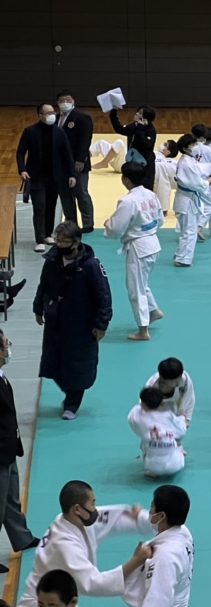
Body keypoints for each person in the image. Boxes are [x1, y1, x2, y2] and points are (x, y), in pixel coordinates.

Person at [12, 480, 152, 607]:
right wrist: (136, 561)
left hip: (60, 605)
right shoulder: (64, 544)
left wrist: (146, 519)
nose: (95, 508)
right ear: (77, 509)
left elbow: (115, 520)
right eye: (92, 503)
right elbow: (93, 583)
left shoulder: (73, 519)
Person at [32, 221, 112, 420]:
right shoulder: (52, 261)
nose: (59, 244)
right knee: (55, 361)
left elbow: (104, 297)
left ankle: (72, 403)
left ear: (76, 242)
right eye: (57, 240)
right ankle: (69, 391)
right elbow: (43, 285)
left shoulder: (91, 266)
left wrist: (101, 324)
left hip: (82, 325)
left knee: (78, 365)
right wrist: (38, 307)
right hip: (56, 320)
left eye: (64, 241)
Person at [103, 162, 165, 341]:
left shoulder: (128, 201)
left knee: (135, 289)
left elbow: (116, 229)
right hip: (153, 243)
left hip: (139, 247)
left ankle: (143, 330)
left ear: (126, 180)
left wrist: (108, 225)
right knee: (141, 283)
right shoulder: (151, 194)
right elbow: (160, 220)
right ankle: (153, 310)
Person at [0, 328, 39, 572]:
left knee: (10, 499)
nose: (8, 348)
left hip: (8, 448)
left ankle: (21, 537)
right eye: (5, 344)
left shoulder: (2, 376)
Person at [16, 103, 76, 251]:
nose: (52, 115)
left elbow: (67, 154)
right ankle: (39, 239)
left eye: (53, 112)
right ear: (40, 115)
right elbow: (20, 152)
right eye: (48, 113)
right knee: (39, 208)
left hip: (54, 177)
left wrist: (71, 174)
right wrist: (22, 170)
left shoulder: (59, 132)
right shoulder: (30, 131)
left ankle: (48, 234)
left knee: (51, 206)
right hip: (36, 176)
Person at [172, 134, 211, 268]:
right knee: (189, 231)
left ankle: (181, 255)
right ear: (185, 148)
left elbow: (199, 170)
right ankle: (183, 259)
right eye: (192, 145)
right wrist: (208, 182)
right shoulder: (186, 163)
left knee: (188, 230)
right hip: (186, 200)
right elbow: (193, 183)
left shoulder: (189, 160)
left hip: (188, 199)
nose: (195, 147)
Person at [55, 90, 95, 232]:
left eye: (68, 100)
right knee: (65, 195)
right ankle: (71, 223)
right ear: (57, 103)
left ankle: (88, 224)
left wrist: (80, 160)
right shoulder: (55, 119)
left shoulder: (82, 118)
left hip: (78, 162)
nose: (65, 103)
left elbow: (85, 140)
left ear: (73, 101)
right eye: (62, 101)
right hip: (60, 164)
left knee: (81, 192)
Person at [128, 388, 187, 477]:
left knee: (145, 442)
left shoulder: (137, 416)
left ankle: (153, 473)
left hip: (152, 466)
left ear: (142, 403)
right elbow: (182, 431)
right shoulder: (169, 416)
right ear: (161, 403)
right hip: (175, 465)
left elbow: (131, 417)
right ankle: (180, 451)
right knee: (175, 442)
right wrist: (182, 418)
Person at [109, 104, 158, 190]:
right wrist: (113, 113)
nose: (136, 114)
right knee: (132, 188)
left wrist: (140, 127)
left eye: (140, 113)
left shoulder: (150, 130)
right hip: (133, 162)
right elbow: (119, 129)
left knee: (145, 189)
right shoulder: (134, 126)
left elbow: (146, 144)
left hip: (145, 165)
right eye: (138, 112)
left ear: (145, 118)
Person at [146, 357, 196, 427]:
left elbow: (189, 399)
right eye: (175, 381)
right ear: (163, 380)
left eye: (180, 377)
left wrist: (186, 421)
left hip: (176, 407)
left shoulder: (185, 380)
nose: (179, 382)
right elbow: (145, 412)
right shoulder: (151, 390)